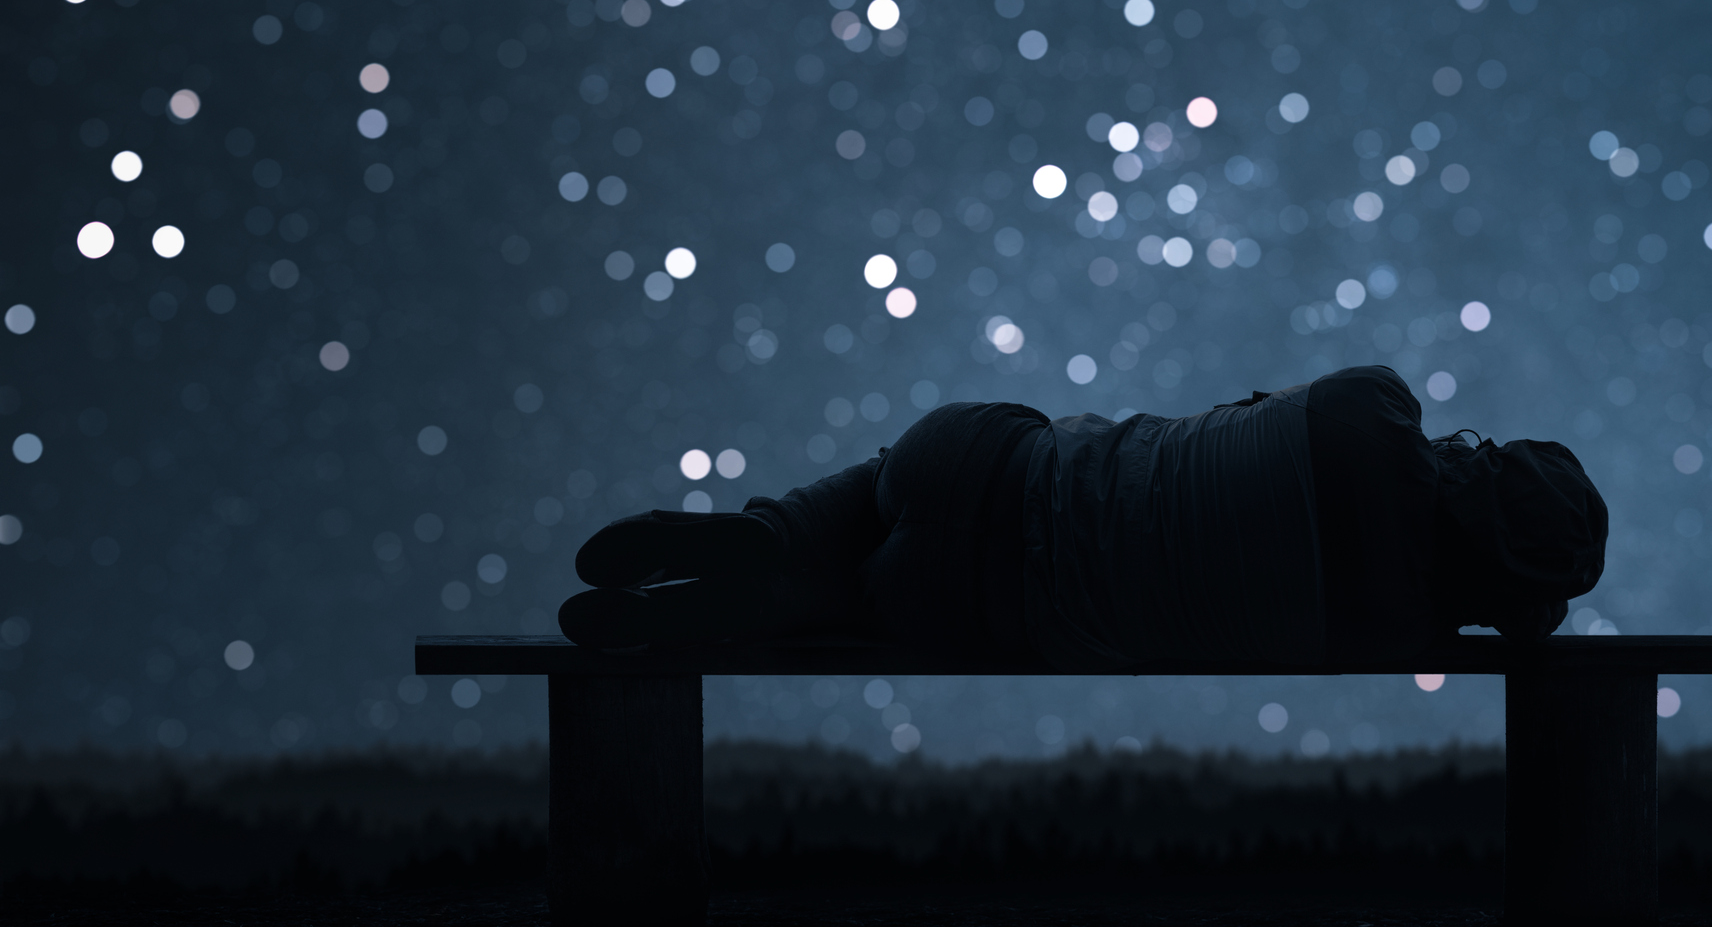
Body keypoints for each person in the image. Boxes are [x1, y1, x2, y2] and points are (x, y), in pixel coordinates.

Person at [557, 365, 1608, 666]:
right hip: (978, 604)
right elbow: (1505, 621)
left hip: (975, 456)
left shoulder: (1370, 407)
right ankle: (758, 591)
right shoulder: (1396, 629)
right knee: (858, 593)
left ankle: (769, 536)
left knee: (860, 506)